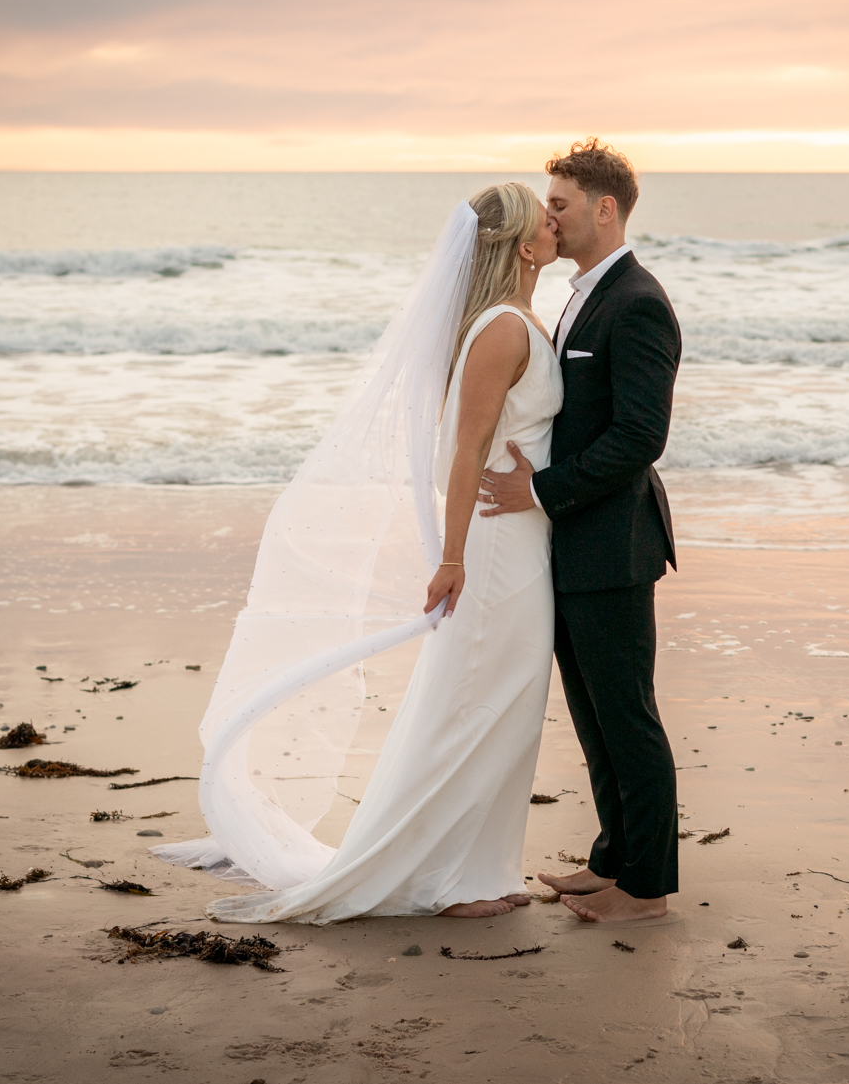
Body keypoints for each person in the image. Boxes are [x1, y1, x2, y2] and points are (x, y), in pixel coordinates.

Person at [153, 180, 565, 922]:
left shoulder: (515, 318)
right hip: (497, 547)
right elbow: (466, 449)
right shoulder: (503, 326)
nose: (556, 223)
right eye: (545, 219)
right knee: (472, 704)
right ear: (524, 246)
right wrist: (454, 558)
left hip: (524, 537)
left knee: (507, 705)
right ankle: (443, 878)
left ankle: (484, 866)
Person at [480, 138, 683, 923]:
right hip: (576, 546)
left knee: (627, 715)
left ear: (605, 208)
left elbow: (640, 436)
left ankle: (648, 890)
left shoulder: (638, 301)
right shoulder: (581, 295)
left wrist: (542, 489)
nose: (548, 216)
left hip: (613, 547)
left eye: (559, 203)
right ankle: (613, 861)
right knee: (594, 716)